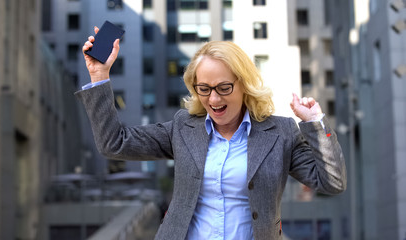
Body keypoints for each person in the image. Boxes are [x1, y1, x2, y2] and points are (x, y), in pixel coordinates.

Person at [75, 27, 347, 240]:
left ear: (244, 84)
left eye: (223, 88)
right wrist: (99, 77)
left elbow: (332, 182)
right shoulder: (184, 127)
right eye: (204, 88)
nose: (214, 99)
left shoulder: (281, 133)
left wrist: (316, 123)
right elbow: (115, 143)